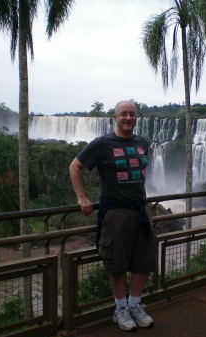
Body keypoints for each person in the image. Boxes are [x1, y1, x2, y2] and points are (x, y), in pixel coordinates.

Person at [69, 100, 157, 331]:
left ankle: (135, 305)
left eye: (132, 114)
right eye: (123, 114)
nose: (128, 118)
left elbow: (141, 171)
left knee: (143, 260)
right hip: (115, 212)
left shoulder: (142, 143)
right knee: (116, 262)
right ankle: (120, 309)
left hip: (140, 209)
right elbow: (74, 166)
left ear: (136, 118)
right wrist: (81, 197)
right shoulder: (102, 144)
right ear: (114, 118)